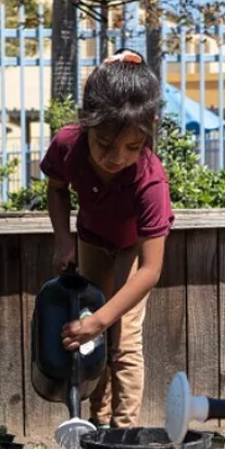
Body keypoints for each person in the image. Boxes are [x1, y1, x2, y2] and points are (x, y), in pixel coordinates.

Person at [40, 49, 174, 429]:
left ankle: (124, 432)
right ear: (87, 124)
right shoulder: (68, 144)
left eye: (132, 147)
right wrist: (63, 240)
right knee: (89, 335)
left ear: (147, 135)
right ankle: (96, 426)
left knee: (123, 337)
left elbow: (150, 270)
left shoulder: (150, 180)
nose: (117, 157)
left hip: (133, 249)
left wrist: (101, 319)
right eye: (104, 145)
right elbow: (57, 190)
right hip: (92, 238)